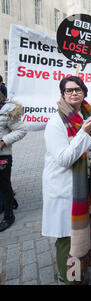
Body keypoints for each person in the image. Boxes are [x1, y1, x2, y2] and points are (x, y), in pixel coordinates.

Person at [41, 76, 91, 284]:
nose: (74, 93)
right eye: (69, 91)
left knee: (79, 236)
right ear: (63, 95)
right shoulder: (56, 122)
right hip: (63, 188)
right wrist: (83, 134)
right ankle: (69, 280)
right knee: (67, 238)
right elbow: (65, 159)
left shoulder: (88, 115)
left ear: (84, 92)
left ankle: (77, 273)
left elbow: (90, 151)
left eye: (78, 89)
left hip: (81, 186)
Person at [0, 93, 27, 232]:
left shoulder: (7, 111)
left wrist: (3, 141)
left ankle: (9, 216)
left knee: (4, 185)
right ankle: (12, 202)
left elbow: (22, 130)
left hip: (2, 156)